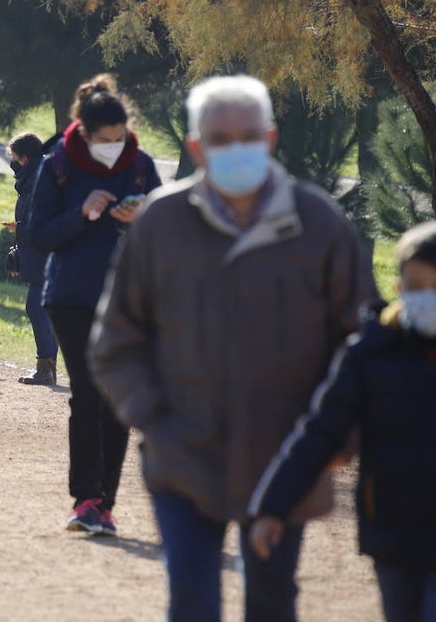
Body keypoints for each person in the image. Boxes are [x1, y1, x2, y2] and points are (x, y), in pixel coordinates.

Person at [90, 75, 377, 621]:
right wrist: (155, 421)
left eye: (248, 135)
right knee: (193, 599)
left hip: (287, 457)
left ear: (269, 139)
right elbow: (117, 341)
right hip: (183, 454)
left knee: (272, 602)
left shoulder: (318, 225)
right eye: (221, 139)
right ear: (197, 147)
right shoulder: (161, 221)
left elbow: (363, 343)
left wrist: (340, 436)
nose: (236, 148)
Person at [249, 220, 436, 622]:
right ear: (399, 289)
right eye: (419, 288)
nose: (429, 299)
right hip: (393, 532)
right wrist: (273, 508)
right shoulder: (372, 354)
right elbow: (320, 432)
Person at [28, 73, 161, 537]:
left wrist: (141, 217)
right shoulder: (58, 164)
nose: (114, 146)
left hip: (130, 297)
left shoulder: (141, 165)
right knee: (88, 391)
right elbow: (39, 234)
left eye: (120, 137)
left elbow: (167, 229)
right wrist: (81, 214)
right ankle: (84, 499)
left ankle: (106, 502)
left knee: (118, 399)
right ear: (84, 133)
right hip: (71, 297)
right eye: (106, 140)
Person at [6, 131, 59, 385]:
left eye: (15, 157)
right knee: (44, 310)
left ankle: (45, 367)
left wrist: (21, 229)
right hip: (41, 252)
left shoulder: (39, 179)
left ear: (25, 157)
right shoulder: (36, 177)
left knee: (36, 308)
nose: (13, 163)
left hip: (45, 254)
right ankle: (49, 366)